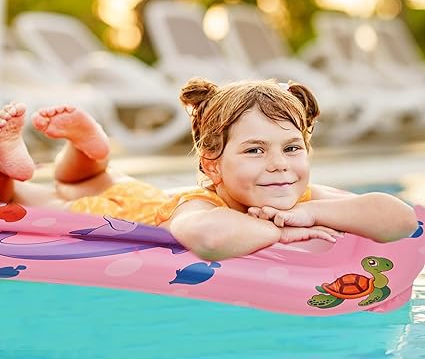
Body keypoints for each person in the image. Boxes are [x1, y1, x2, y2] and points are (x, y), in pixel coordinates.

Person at [0, 79, 417, 262]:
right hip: (118, 209)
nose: (279, 164)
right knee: (32, 197)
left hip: (137, 192)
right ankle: (18, 165)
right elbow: (209, 236)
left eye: (292, 148)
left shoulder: (296, 196)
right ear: (211, 165)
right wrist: (284, 231)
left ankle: (88, 146)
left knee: (83, 178)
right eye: (255, 150)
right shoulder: (200, 204)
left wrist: (311, 214)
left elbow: (399, 218)